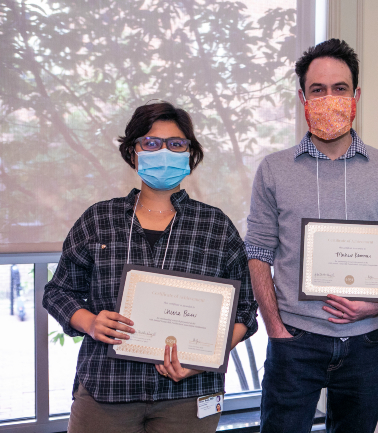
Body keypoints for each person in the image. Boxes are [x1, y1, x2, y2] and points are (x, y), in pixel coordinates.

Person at [43, 102, 258, 433]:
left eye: (176, 144)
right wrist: (89, 322)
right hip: (107, 388)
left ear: (190, 154)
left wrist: (203, 357)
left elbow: (244, 311)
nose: (164, 152)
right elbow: (58, 291)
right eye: (151, 143)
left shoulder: (216, 226)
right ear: (133, 153)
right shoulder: (99, 219)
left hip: (189, 393)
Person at [245, 38, 378, 433]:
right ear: (302, 98)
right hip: (295, 339)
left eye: (339, 88)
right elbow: (257, 251)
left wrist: (376, 304)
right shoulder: (274, 170)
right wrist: (275, 327)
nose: (329, 98)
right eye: (317, 90)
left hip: (367, 342)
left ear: (356, 95)